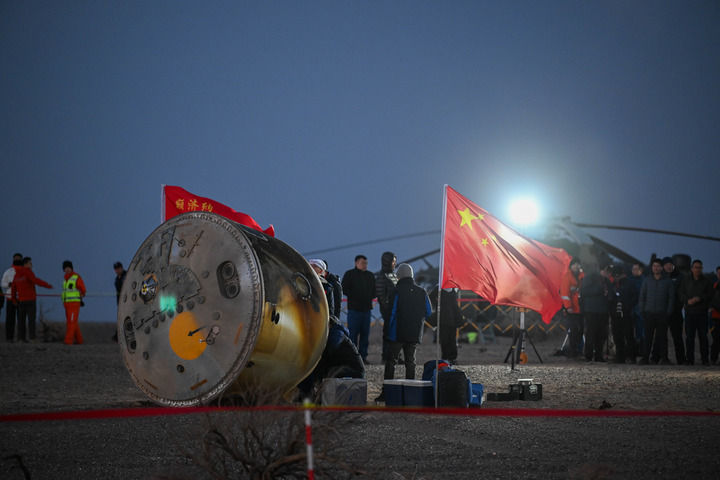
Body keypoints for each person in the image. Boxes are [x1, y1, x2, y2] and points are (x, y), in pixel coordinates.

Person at [379, 263, 432, 399]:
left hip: (397, 333)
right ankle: (411, 394)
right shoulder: (422, 292)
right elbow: (428, 311)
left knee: (391, 362)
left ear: (399, 276)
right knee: (410, 362)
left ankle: (387, 393)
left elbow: (392, 313)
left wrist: (387, 331)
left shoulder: (396, 291)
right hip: (414, 333)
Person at [637, 258, 674, 364]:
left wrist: (668, 312)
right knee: (647, 337)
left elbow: (671, 298)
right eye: (654, 266)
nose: (656, 268)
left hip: (662, 313)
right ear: (652, 267)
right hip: (649, 313)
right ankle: (645, 358)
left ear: (661, 268)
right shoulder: (647, 280)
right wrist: (642, 310)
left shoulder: (668, 281)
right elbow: (642, 296)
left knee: (662, 338)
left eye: (658, 266)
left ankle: (664, 359)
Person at [341, 254, 376, 364]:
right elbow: (344, 288)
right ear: (356, 263)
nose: (365, 265)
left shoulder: (370, 276)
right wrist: (355, 296)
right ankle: (352, 358)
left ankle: (363, 358)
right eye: (363, 263)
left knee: (365, 335)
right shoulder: (350, 274)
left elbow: (375, 291)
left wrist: (368, 297)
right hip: (354, 310)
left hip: (366, 310)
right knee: (352, 335)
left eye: (366, 263)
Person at [678, 259, 713, 366]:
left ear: (702, 269)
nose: (698, 269)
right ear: (692, 268)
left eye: (699, 267)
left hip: (702, 313)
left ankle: (705, 359)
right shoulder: (686, 280)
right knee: (689, 338)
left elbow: (710, 295)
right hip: (690, 313)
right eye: (696, 267)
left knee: (703, 337)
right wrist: (687, 301)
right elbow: (680, 293)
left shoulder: (706, 281)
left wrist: (700, 298)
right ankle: (690, 359)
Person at [10, 257, 53, 342]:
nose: (32, 265)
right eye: (30, 263)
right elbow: (35, 280)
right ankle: (32, 338)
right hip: (30, 300)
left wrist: (14, 299)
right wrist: (47, 285)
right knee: (31, 320)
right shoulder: (28, 272)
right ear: (25, 264)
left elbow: (13, 288)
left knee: (21, 320)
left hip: (21, 300)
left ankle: (21, 338)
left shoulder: (16, 275)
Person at [580, 265, 609, 362]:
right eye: (605, 270)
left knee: (601, 334)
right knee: (591, 333)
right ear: (600, 270)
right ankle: (588, 355)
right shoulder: (589, 278)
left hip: (603, 311)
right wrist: (599, 290)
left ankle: (598, 355)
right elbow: (584, 292)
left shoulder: (606, 280)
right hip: (591, 310)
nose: (607, 273)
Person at [428, 286, 463, 363]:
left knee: (451, 339)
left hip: (452, 318)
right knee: (445, 339)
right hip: (443, 318)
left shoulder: (453, 288)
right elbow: (430, 298)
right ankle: (446, 357)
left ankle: (451, 358)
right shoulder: (439, 288)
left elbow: (455, 305)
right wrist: (437, 303)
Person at [609, 265, 636, 363]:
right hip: (616, 314)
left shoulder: (628, 283)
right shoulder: (613, 284)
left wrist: (627, 306)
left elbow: (634, 297)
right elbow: (610, 299)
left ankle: (631, 357)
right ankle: (620, 357)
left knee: (628, 336)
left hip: (626, 314)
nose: (616, 278)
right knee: (617, 336)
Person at [375, 251, 398, 363]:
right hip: (388, 311)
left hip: (395, 311)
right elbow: (381, 295)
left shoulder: (393, 275)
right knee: (388, 334)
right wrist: (388, 309)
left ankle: (394, 356)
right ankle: (386, 356)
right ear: (387, 262)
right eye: (393, 261)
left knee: (396, 334)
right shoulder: (382, 276)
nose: (395, 263)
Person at [662, 257, 685, 365]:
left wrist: (679, 306)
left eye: (670, 264)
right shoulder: (660, 277)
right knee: (662, 336)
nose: (668, 266)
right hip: (663, 311)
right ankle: (663, 358)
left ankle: (681, 359)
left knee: (677, 336)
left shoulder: (680, 277)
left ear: (673, 265)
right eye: (666, 264)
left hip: (676, 311)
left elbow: (682, 293)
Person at [560, 258, 584, 357]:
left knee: (581, 330)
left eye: (578, 264)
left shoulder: (583, 276)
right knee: (573, 330)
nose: (576, 266)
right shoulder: (567, 277)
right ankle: (573, 351)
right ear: (571, 266)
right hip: (571, 309)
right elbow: (564, 293)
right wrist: (568, 306)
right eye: (574, 264)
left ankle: (578, 349)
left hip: (581, 308)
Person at [61, 260, 86, 345]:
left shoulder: (76, 277)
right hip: (67, 304)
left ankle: (68, 341)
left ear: (71, 268)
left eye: (69, 267)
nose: (67, 269)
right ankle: (79, 340)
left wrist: (81, 297)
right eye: (65, 268)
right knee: (72, 322)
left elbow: (83, 289)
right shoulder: (65, 279)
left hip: (74, 303)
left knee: (71, 322)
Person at [2, 253, 24, 342]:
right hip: (10, 298)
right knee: (10, 319)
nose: (17, 260)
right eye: (16, 258)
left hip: (21, 298)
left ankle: (21, 338)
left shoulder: (25, 272)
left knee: (21, 319)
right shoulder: (8, 272)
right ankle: (9, 337)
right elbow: (2, 283)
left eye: (19, 258)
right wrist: (9, 284)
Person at [628, 262, 646, 359]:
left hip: (640, 310)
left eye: (636, 269)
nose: (634, 271)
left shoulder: (644, 281)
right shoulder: (629, 280)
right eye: (633, 269)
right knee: (630, 333)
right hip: (631, 309)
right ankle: (632, 352)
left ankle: (642, 352)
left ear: (641, 270)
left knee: (641, 332)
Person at [710, 266, 720, 365]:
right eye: (719, 273)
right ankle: (713, 359)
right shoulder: (715, 285)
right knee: (716, 339)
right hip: (716, 317)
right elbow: (712, 300)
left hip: (716, 313)